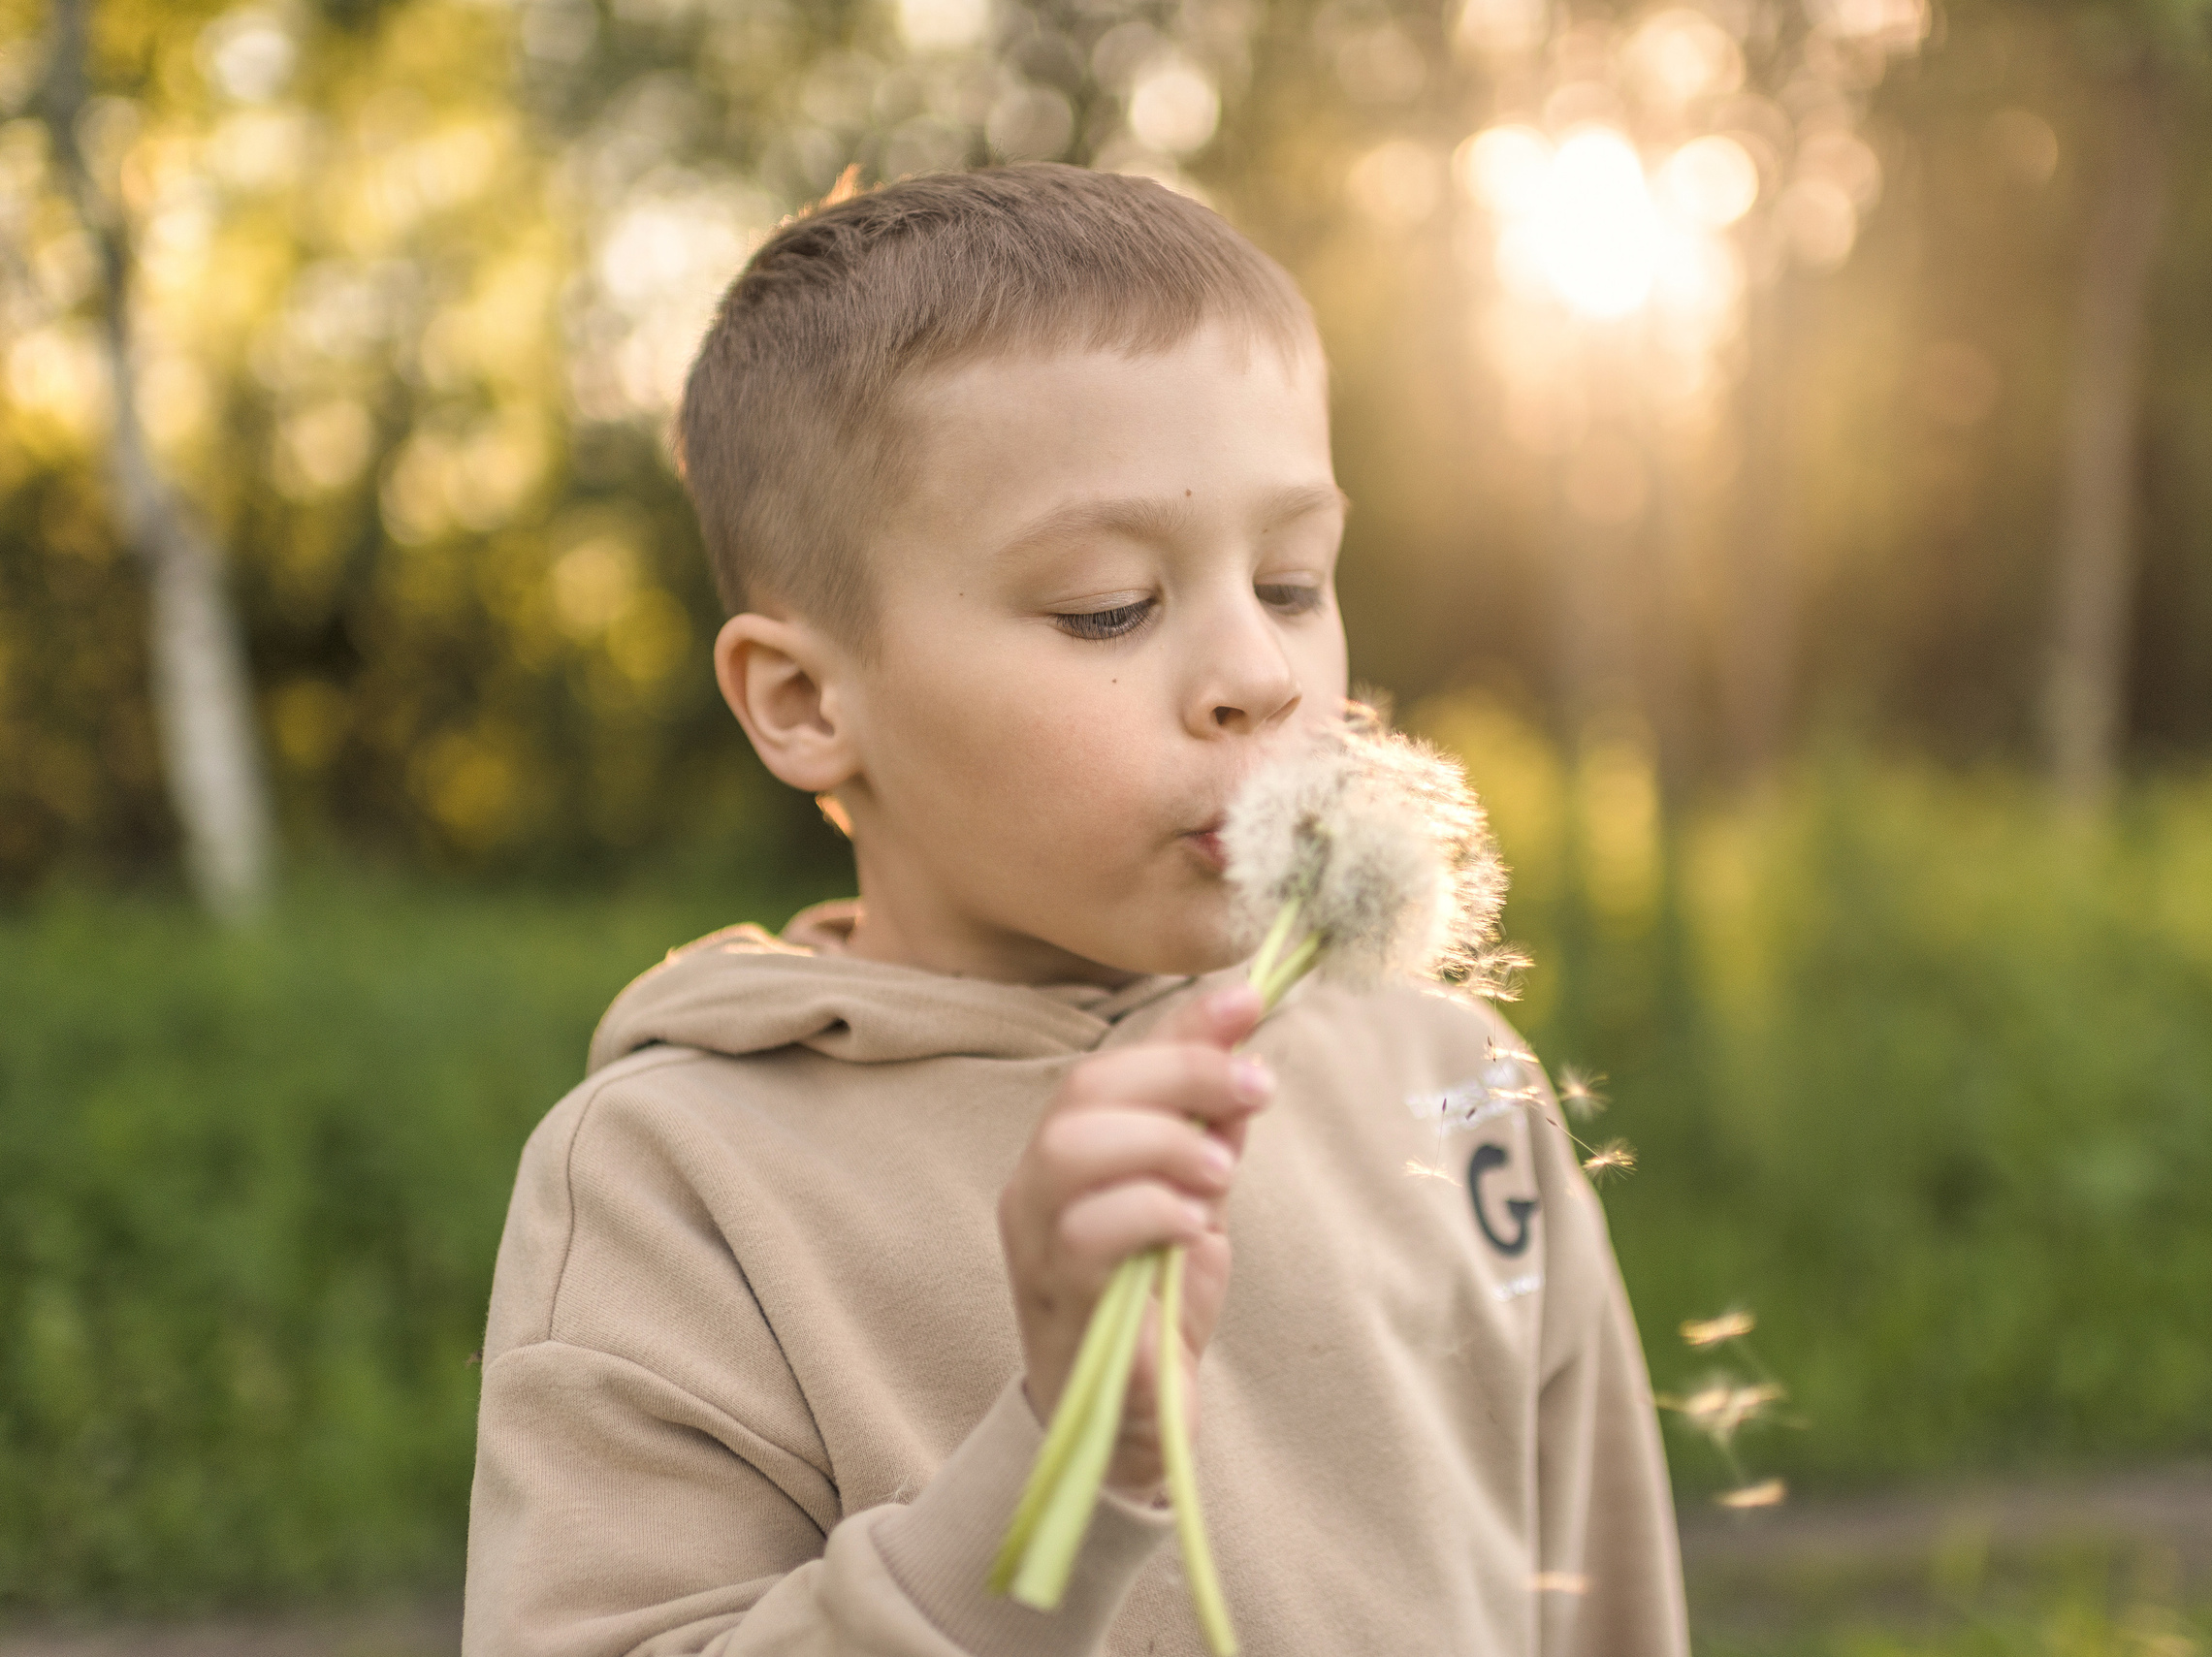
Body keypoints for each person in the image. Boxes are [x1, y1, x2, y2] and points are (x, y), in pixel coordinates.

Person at [463, 162, 1688, 1657]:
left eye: (1294, 579)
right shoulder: (680, 1184)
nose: (1261, 671)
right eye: (1109, 605)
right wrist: (1055, 1468)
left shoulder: (1455, 1083)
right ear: (803, 700)